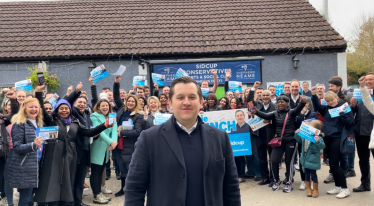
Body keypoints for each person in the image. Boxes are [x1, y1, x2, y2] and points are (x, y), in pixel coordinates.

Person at [123, 76, 241, 205]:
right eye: (180, 97)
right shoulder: (149, 139)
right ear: (170, 103)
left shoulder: (220, 138)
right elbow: (134, 189)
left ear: (201, 102)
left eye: (192, 97)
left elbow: (231, 188)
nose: (186, 102)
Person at [33, 83, 112, 206]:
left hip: (70, 155)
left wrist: (104, 126)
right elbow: (42, 110)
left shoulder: (75, 123)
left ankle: (66, 202)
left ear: (70, 110)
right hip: (54, 155)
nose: (64, 110)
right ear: (57, 110)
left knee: (68, 180)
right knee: (54, 179)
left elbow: (89, 132)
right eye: (61, 108)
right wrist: (38, 92)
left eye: (66, 108)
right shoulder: (52, 121)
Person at [249, 95, 307, 192]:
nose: (280, 103)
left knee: (289, 162)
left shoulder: (291, 112)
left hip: (290, 141)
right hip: (278, 141)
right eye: (278, 102)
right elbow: (265, 115)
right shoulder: (274, 113)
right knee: (274, 160)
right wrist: (256, 112)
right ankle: (276, 180)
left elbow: (298, 110)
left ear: (287, 103)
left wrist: (302, 103)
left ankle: (288, 183)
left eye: (282, 102)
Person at [311, 88, 354, 199]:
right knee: (332, 164)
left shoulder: (345, 107)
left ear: (336, 98)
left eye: (332, 100)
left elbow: (350, 123)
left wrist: (342, 114)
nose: (330, 102)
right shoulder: (326, 109)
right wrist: (314, 95)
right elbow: (317, 107)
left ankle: (345, 189)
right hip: (327, 138)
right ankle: (337, 186)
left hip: (338, 139)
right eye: (328, 101)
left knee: (335, 164)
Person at [113, 75, 145, 197]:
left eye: (133, 101)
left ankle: (132, 189)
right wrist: (116, 83)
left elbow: (137, 132)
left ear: (136, 103)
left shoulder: (138, 115)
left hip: (129, 144)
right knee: (121, 167)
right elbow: (116, 96)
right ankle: (123, 188)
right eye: (129, 101)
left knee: (129, 167)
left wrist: (122, 133)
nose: (130, 102)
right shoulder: (122, 109)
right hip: (118, 143)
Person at [9, 97, 43, 206]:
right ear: (24, 108)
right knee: (25, 199)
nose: (34, 109)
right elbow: (17, 147)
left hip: (36, 165)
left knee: (30, 199)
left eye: (36, 107)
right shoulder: (19, 124)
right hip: (25, 167)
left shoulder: (39, 124)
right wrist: (34, 145)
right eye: (31, 107)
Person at [246, 86, 277, 186]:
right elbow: (248, 100)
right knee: (262, 158)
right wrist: (253, 89)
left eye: (267, 95)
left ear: (271, 96)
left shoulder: (275, 106)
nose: (265, 97)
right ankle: (265, 177)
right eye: (263, 95)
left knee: (272, 158)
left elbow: (279, 119)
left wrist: (270, 121)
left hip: (271, 135)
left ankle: (273, 178)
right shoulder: (257, 105)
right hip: (259, 134)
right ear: (261, 96)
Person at [90, 98, 118, 204]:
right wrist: (111, 142)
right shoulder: (94, 116)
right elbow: (99, 131)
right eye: (103, 105)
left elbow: (114, 130)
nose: (105, 107)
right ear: (98, 107)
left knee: (101, 170)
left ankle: (99, 193)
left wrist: (113, 143)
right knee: (95, 172)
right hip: (97, 148)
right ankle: (96, 195)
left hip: (106, 149)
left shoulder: (112, 116)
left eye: (107, 105)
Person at [350, 73, 374, 192]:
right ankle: (365, 184)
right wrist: (353, 106)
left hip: (372, 132)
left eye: (371, 79)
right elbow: (354, 112)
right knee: (363, 160)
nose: (368, 81)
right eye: (366, 79)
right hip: (360, 131)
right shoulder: (358, 94)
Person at [294, 120, 326, 198]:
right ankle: (308, 188)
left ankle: (315, 189)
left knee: (313, 174)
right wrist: (297, 133)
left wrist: (318, 141)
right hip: (305, 157)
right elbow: (298, 139)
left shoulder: (318, 137)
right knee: (307, 173)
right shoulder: (305, 136)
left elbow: (322, 146)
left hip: (313, 159)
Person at [294, 98, 318, 190]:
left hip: (311, 141)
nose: (304, 105)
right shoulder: (297, 113)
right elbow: (296, 124)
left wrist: (309, 124)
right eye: (301, 103)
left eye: (306, 103)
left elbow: (317, 125)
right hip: (301, 140)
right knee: (302, 160)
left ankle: (312, 180)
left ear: (309, 103)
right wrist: (301, 113)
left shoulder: (313, 113)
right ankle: (303, 180)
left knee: (311, 160)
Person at [0, 92, 18, 205]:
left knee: (7, 179)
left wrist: (13, 100)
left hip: (3, 154)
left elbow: (14, 114)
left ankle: (10, 203)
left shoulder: (3, 119)